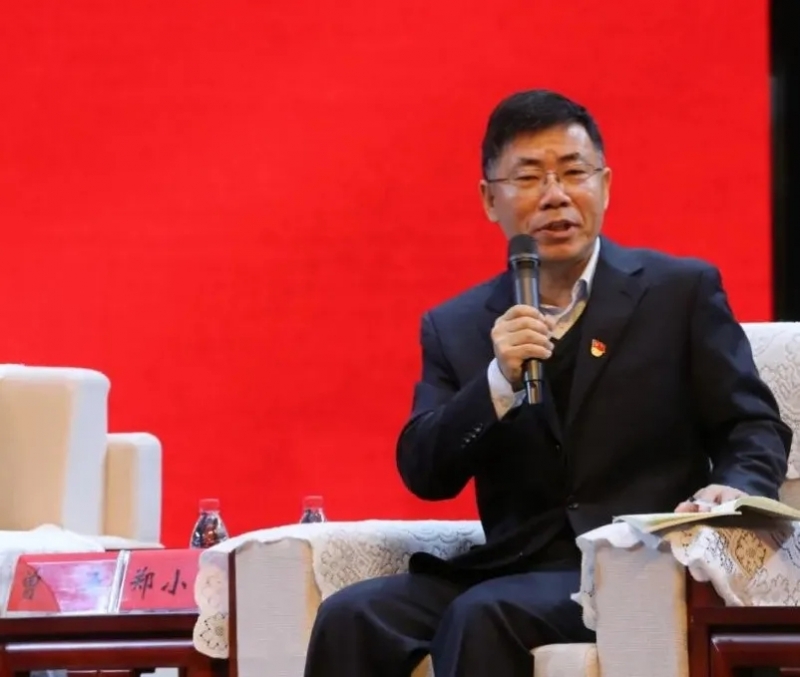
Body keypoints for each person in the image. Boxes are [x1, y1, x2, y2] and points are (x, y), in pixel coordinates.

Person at [302, 89, 791, 677]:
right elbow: (425, 471)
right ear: (490, 199)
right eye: (529, 177)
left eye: (574, 172)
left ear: (605, 185)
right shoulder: (457, 325)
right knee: (351, 615)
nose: (556, 195)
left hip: (636, 566)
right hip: (509, 566)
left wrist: (731, 490)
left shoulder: (678, 293)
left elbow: (752, 426)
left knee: (483, 615)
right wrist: (495, 382)